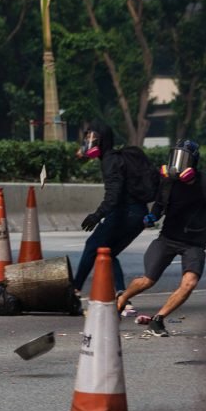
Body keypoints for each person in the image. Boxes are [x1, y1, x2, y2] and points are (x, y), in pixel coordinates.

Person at [116, 139, 206, 337]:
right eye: (175, 157)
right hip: (167, 239)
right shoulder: (168, 182)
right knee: (148, 280)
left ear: (193, 163)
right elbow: (159, 206)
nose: (177, 164)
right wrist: (152, 217)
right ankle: (121, 299)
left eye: (183, 158)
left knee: (190, 283)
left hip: (194, 244)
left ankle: (158, 320)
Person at [71, 122, 153, 311]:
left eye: (94, 139)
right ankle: (123, 297)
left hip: (126, 213)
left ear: (103, 141)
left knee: (92, 245)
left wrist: (96, 215)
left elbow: (113, 197)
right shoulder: (113, 158)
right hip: (138, 214)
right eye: (88, 138)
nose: (90, 142)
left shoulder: (110, 161)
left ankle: (74, 290)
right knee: (108, 252)